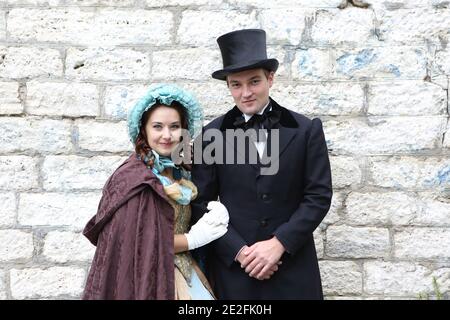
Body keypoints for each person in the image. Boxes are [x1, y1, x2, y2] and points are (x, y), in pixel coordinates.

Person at [191, 29, 333, 299]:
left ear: (270, 78)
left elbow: (318, 195)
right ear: (229, 86)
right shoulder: (211, 136)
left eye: (254, 81)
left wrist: (280, 243)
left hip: (294, 268)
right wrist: (240, 252)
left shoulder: (306, 130)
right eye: (236, 84)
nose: (245, 93)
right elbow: (200, 204)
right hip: (235, 272)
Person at [82, 84, 229, 300]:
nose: (167, 135)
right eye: (158, 126)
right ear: (144, 130)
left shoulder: (179, 172)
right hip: (148, 280)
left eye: (175, 126)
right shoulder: (134, 178)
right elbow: (137, 243)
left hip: (185, 271)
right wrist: (193, 239)